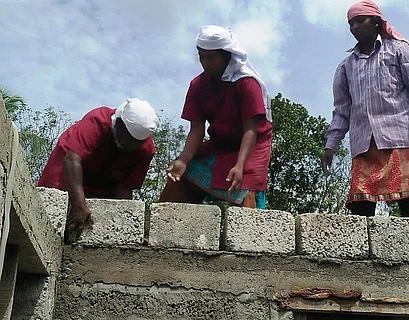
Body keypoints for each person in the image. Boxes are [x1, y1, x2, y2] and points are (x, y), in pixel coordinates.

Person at [321, 0, 409, 218]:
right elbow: (341, 112)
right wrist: (331, 145)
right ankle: (359, 251)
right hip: (365, 146)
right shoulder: (346, 67)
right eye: (351, 23)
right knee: (360, 210)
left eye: (360, 20)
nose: (355, 27)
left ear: (376, 22)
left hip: (400, 140)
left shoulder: (398, 52)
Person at [158, 25, 273, 209]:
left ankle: (249, 232)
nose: (205, 63)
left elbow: (250, 130)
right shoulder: (197, 85)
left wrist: (240, 165)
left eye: (211, 58)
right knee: (182, 176)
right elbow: (196, 130)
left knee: (245, 191)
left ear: (227, 56)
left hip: (252, 144)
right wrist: (183, 160)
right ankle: (162, 230)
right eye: (202, 57)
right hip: (220, 143)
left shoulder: (247, 84)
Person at [38, 98, 159, 243]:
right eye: (128, 139)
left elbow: (125, 188)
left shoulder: (146, 150)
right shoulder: (98, 121)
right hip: (68, 173)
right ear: (119, 123)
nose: (130, 146)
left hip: (103, 183)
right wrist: (78, 204)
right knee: (49, 218)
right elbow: (72, 160)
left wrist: (129, 230)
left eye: (136, 143)